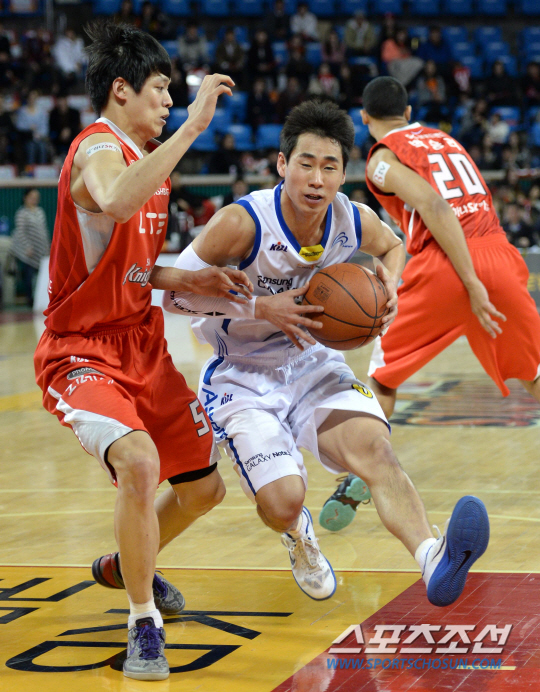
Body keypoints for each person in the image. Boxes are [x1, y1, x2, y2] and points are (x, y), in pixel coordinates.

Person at [163, 98, 490, 610]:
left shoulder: (351, 219)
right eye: (306, 164)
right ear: (282, 164)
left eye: (330, 167)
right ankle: (297, 532)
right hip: (242, 376)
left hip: (313, 365)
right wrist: (260, 307)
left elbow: (394, 245)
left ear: (343, 173)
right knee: (281, 503)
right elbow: (173, 295)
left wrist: (391, 285)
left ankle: (433, 557)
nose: (317, 179)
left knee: (376, 451)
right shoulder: (242, 223)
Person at [33, 22, 253, 681]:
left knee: (205, 490)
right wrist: (193, 128)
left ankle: (128, 564)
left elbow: (128, 266)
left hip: (142, 344)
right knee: (138, 461)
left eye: (172, 93)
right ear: (120, 89)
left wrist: (188, 279)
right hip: (82, 349)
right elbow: (116, 199)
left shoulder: (148, 160)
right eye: (160, 88)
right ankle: (142, 624)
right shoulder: (99, 148)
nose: (169, 101)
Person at [320, 76, 540, 532]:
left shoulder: (382, 158)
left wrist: (469, 282)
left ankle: (360, 474)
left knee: (383, 375)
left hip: (445, 265)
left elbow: (436, 208)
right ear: (408, 111)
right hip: (499, 256)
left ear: (364, 117)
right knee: (534, 373)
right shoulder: (444, 139)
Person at [9, 188, 50, 307]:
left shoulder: (40, 211)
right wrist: (27, 247)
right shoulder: (22, 213)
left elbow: (43, 230)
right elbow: (20, 232)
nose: (34, 199)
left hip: (41, 248)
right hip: (28, 252)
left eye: (36, 197)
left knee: (41, 276)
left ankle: (40, 298)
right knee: (28, 275)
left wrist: (47, 245)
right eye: (32, 197)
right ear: (25, 198)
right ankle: (29, 300)